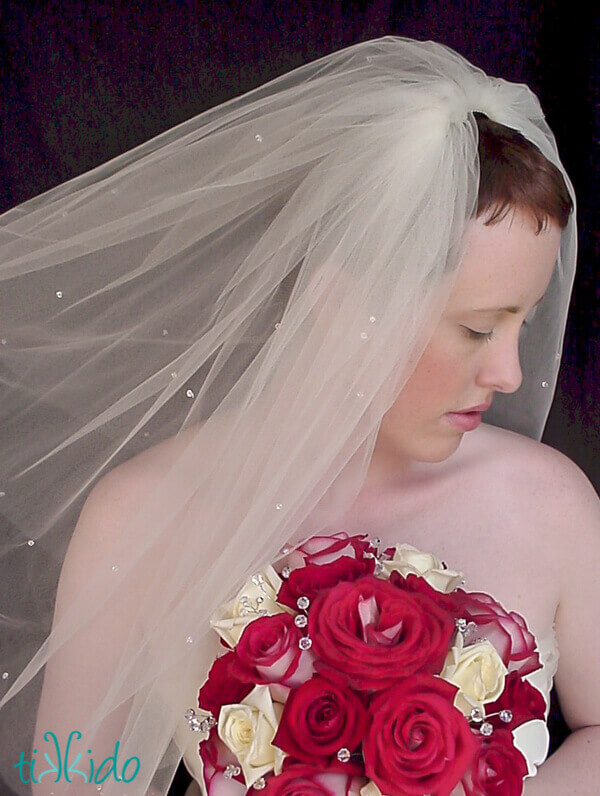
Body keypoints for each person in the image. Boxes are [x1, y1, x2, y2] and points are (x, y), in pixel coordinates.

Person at [0, 36, 597, 796]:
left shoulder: (550, 502)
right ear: (341, 304)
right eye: (478, 329)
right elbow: (71, 779)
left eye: (525, 322)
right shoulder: (142, 514)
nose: (509, 372)